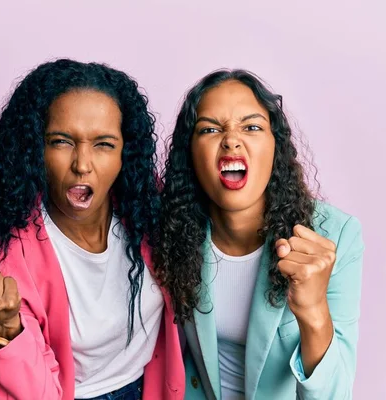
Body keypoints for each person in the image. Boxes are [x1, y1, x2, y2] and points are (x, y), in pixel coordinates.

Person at [0, 59, 184, 400]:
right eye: (61, 141)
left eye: (103, 144)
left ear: (124, 154)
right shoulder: (6, 262)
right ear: (35, 150)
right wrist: (5, 330)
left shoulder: (147, 208)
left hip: (154, 385)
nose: (82, 164)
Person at [155, 69, 364, 400]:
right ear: (190, 154)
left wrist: (313, 312)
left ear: (275, 148)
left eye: (251, 127)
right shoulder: (172, 229)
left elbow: (334, 395)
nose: (231, 140)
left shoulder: (334, 238)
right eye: (209, 129)